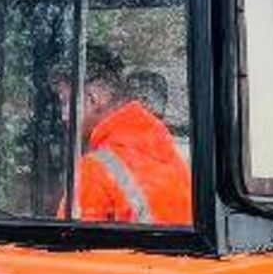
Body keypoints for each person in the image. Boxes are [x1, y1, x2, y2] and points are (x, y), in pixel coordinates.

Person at [52, 46, 192, 226]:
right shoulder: (170, 157)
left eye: (65, 103)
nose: (63, 116)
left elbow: (66, 247)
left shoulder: (95, 171)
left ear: (93, 98)